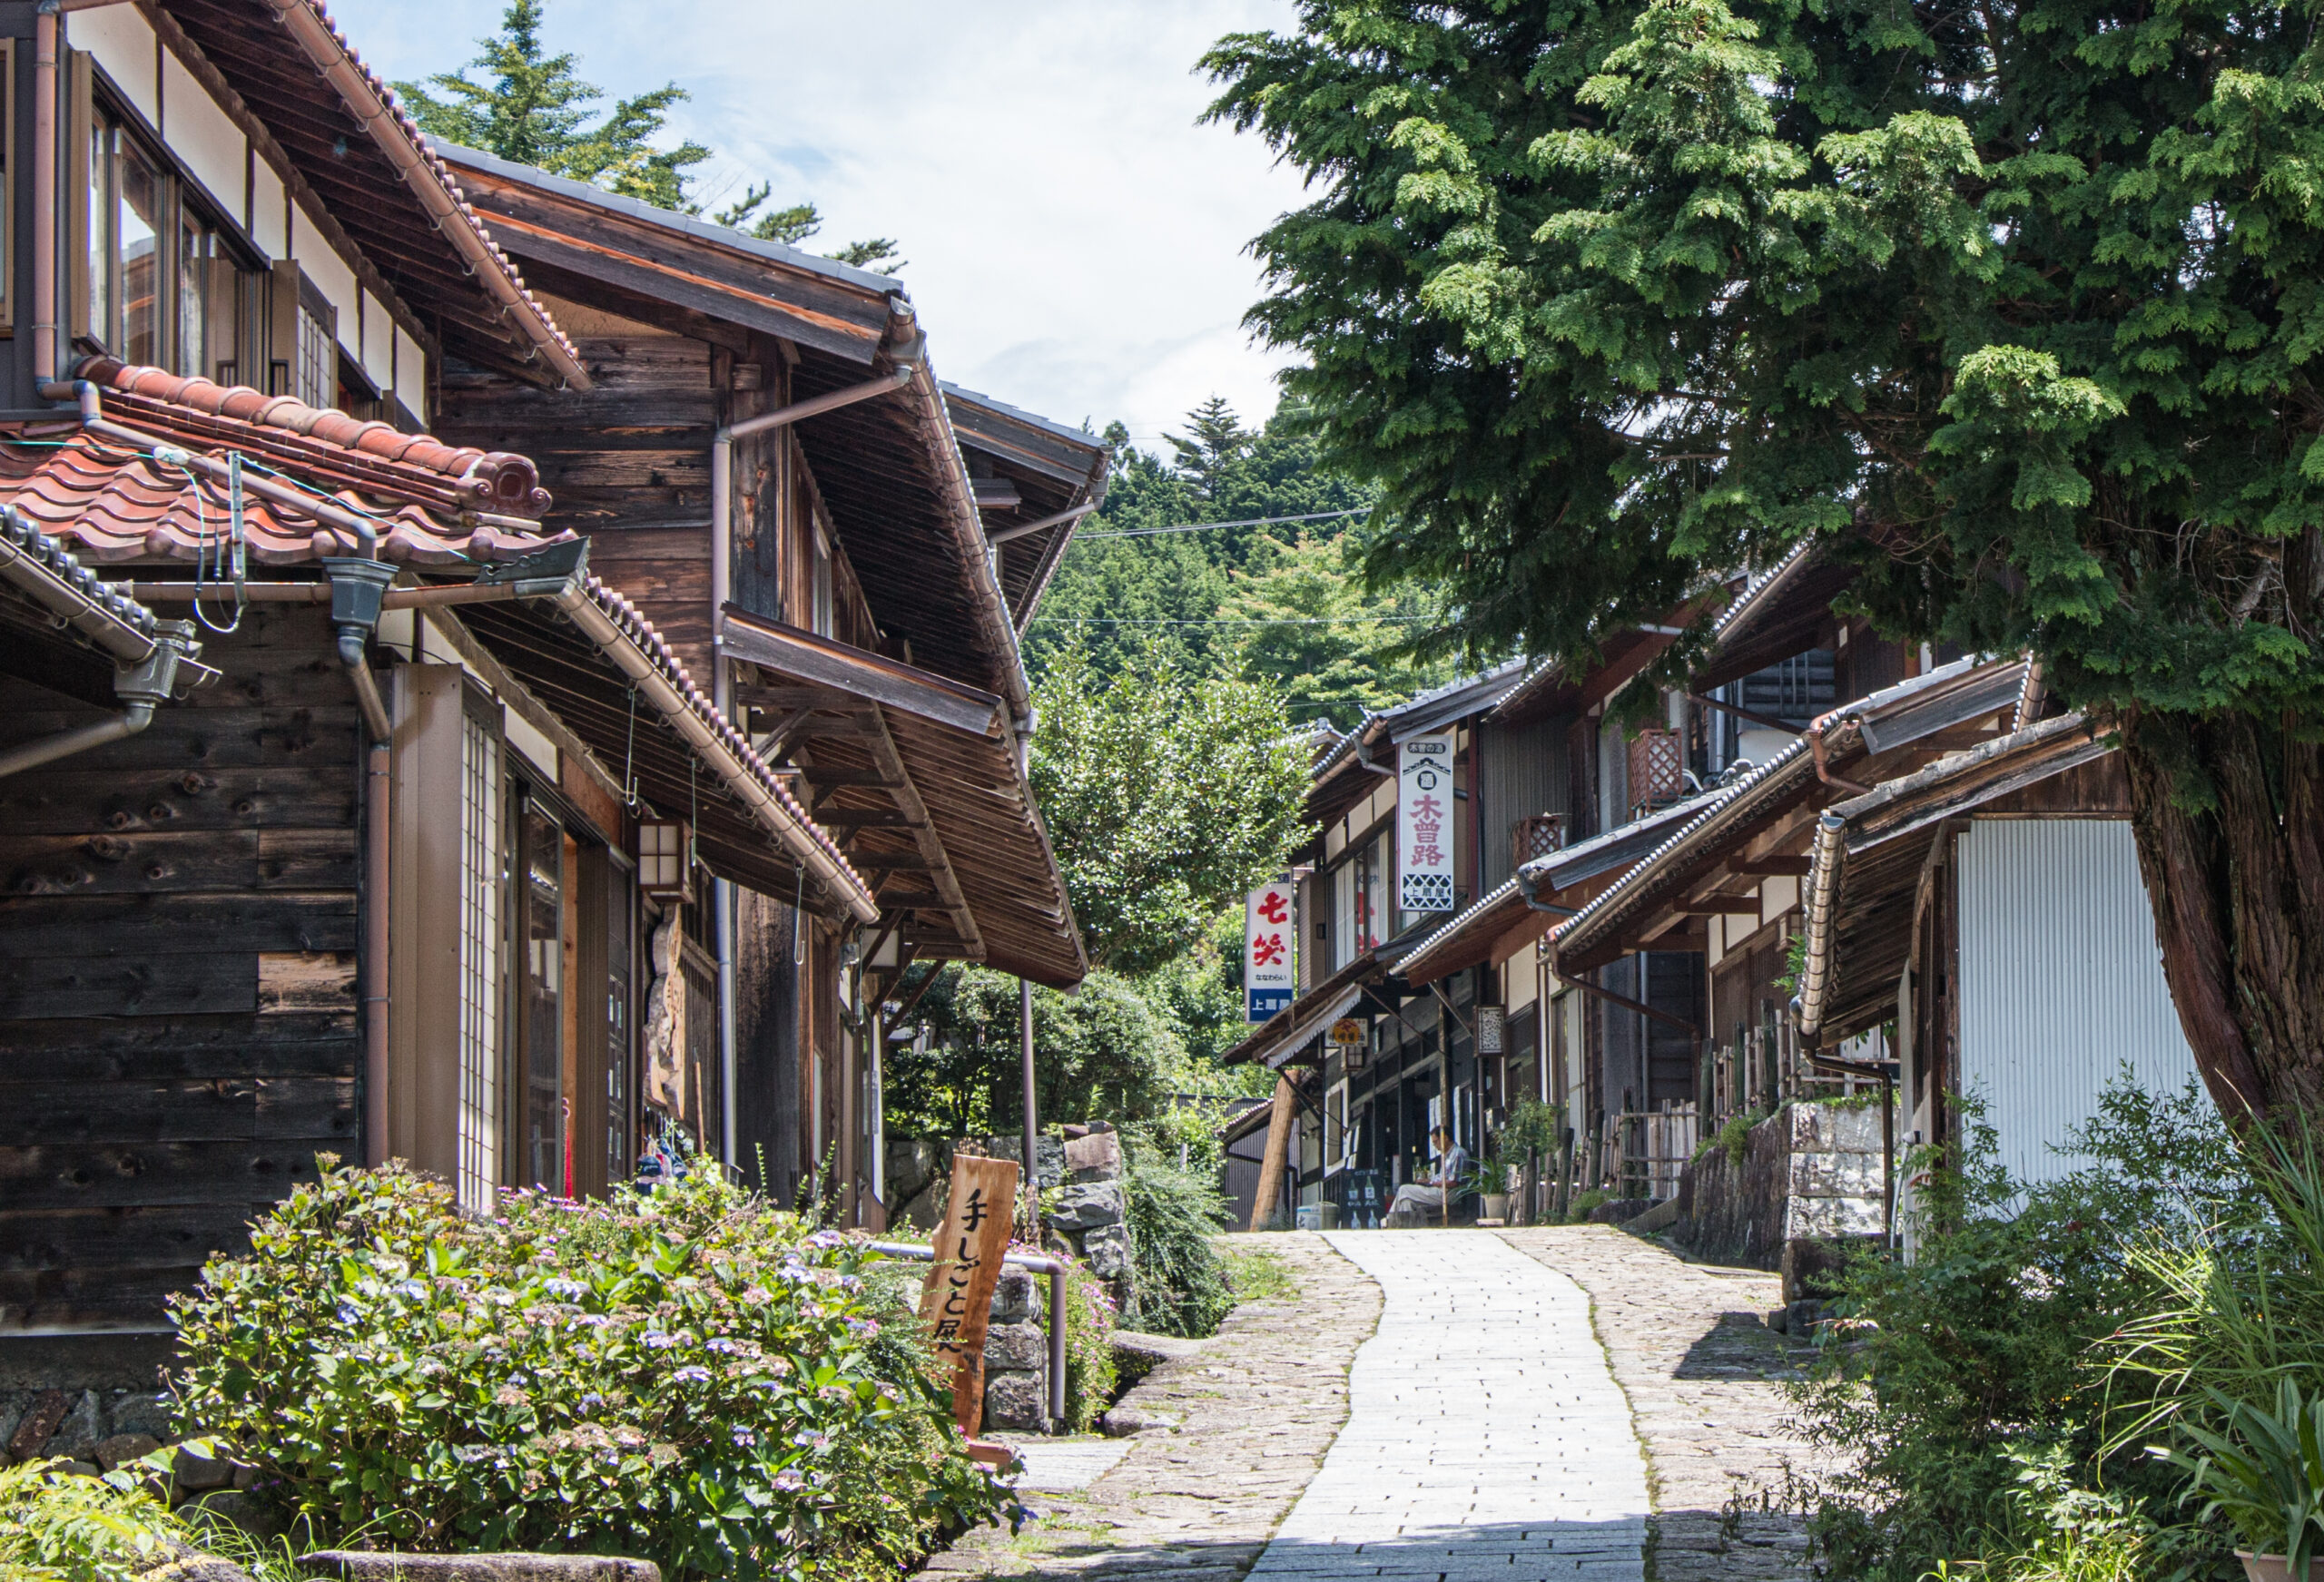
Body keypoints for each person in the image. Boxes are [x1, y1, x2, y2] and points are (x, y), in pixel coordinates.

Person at [1388, 1125, 1469, 1222]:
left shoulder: (1458, 1154)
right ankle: (1405, 1227)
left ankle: (1389, 1219)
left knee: (1404, 1189)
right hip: (1441, 1190)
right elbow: (1442, 1177)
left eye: (1436, 1142)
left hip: (1449, 1194)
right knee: (1406, 1202)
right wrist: (1428, 1181)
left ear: (1445, 1138)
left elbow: (1454, 1182)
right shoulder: (1447, 1155)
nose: (1435, 1145)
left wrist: (1431, 1183)